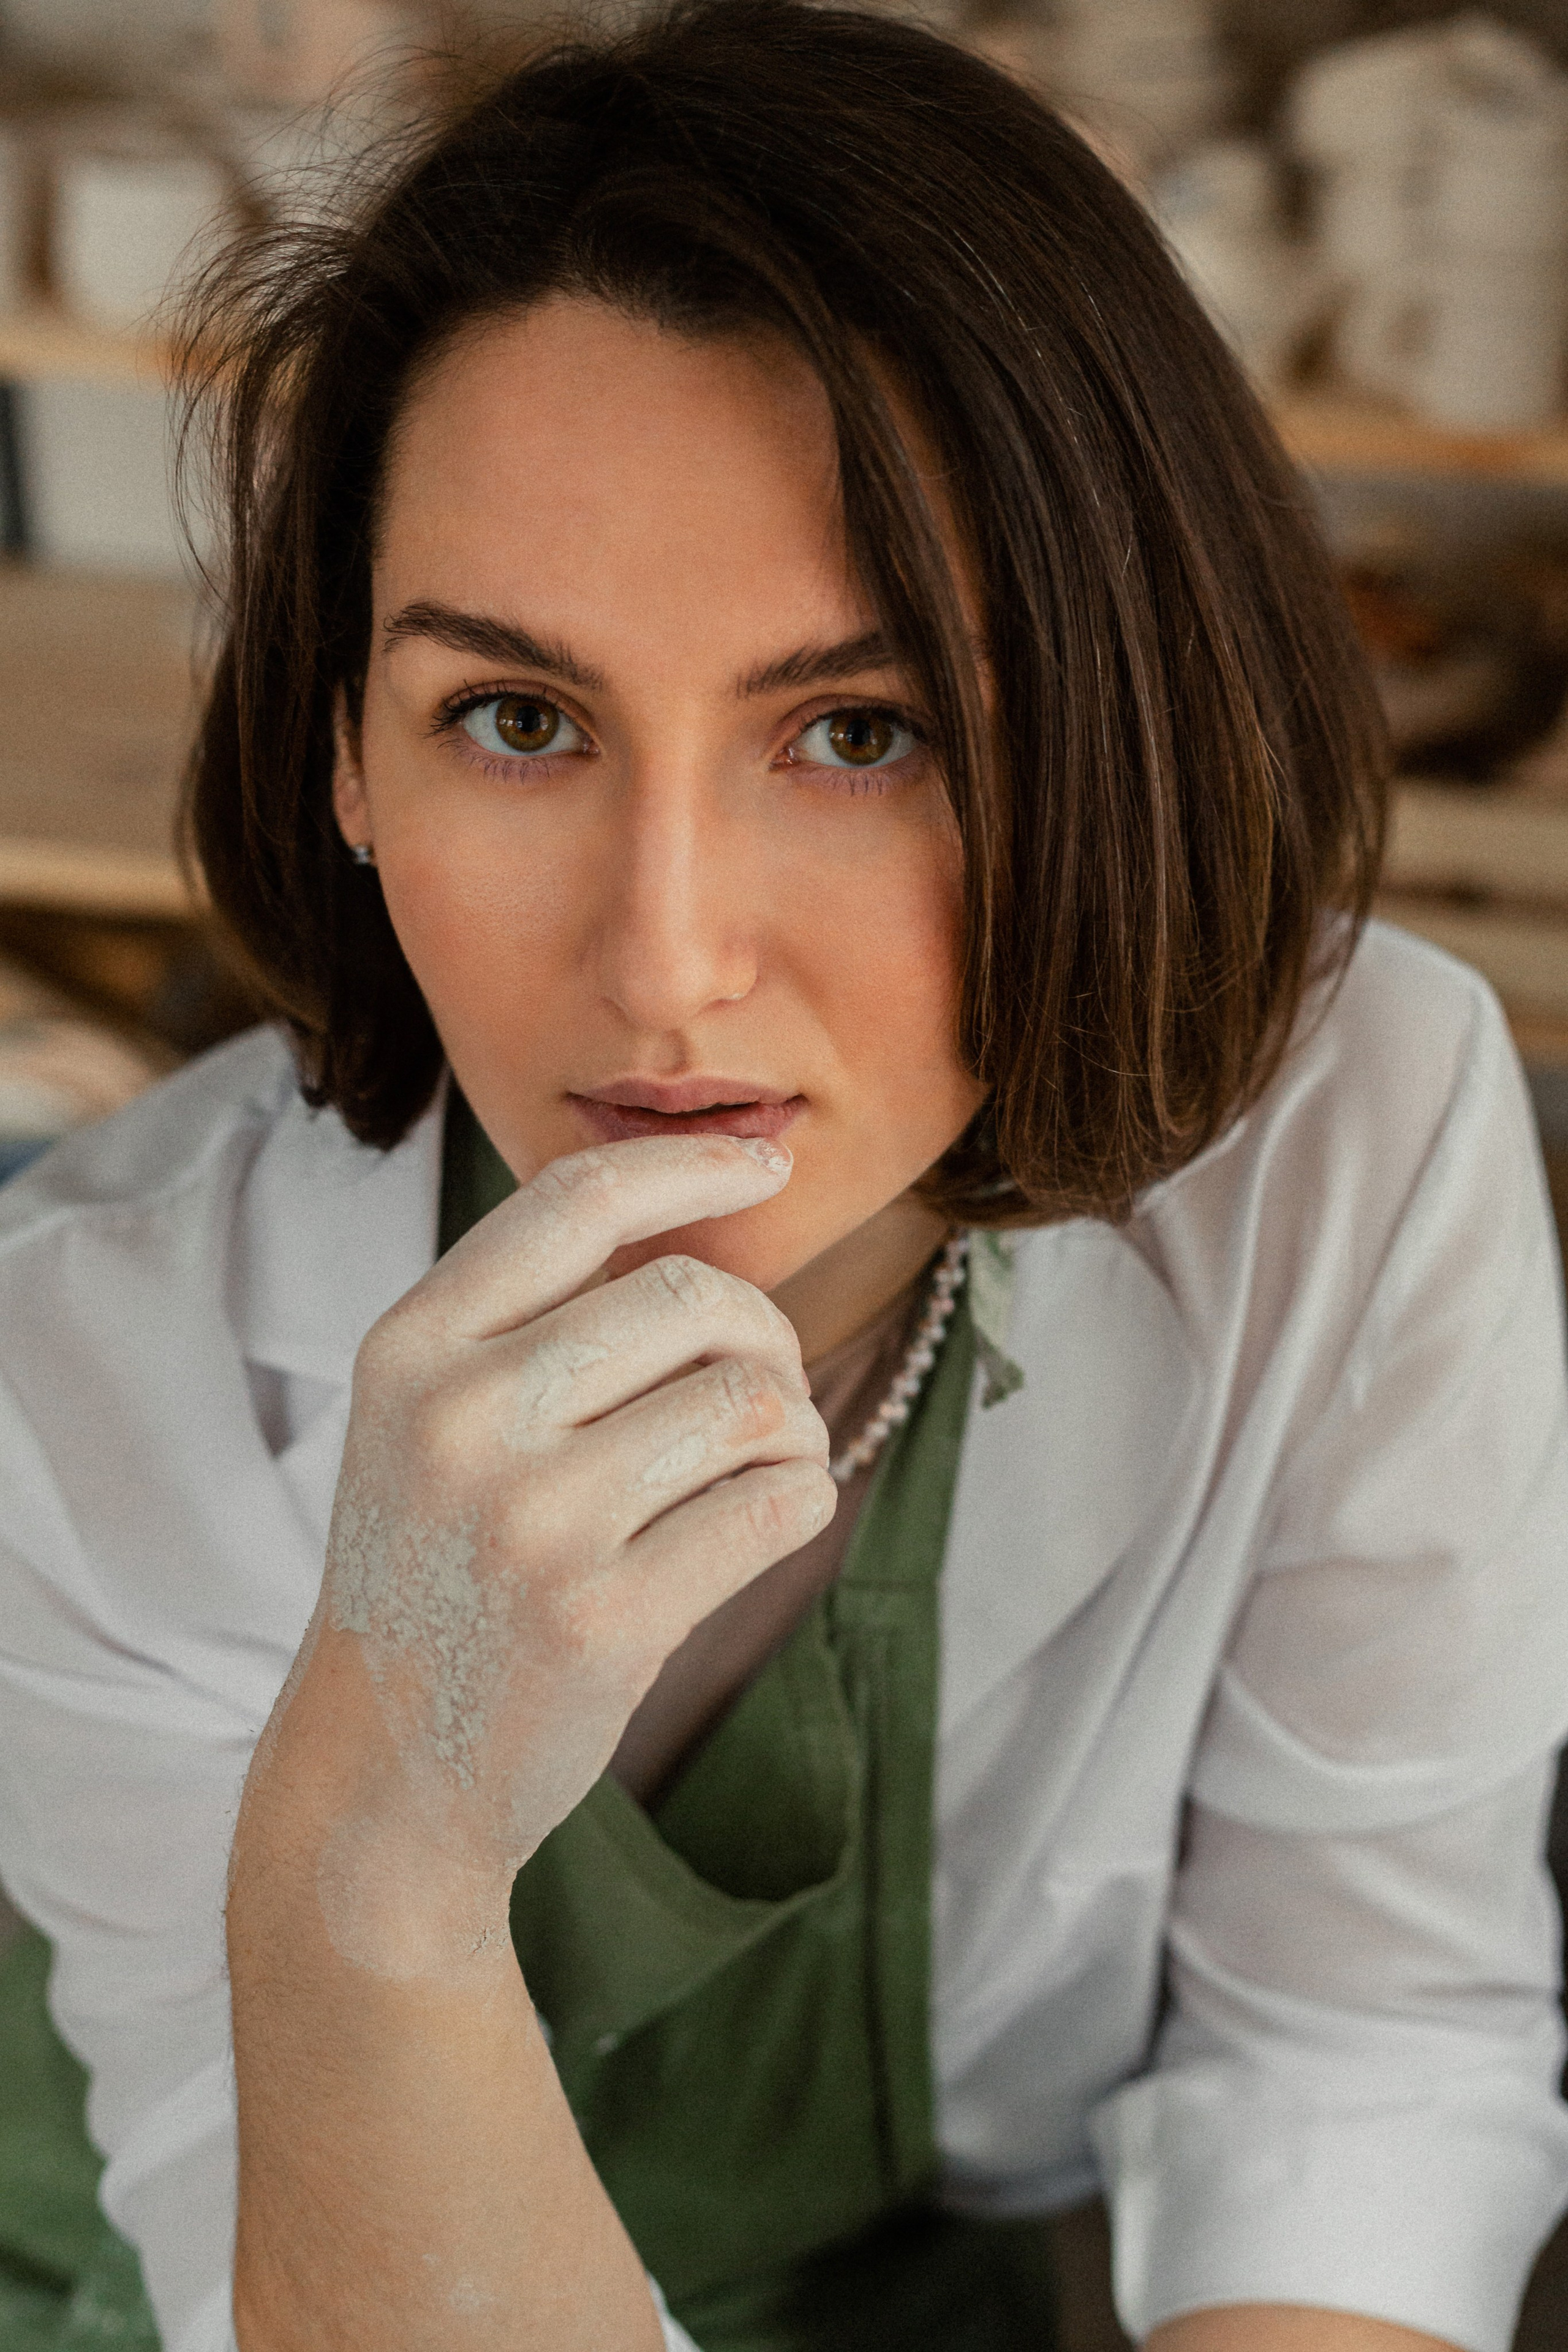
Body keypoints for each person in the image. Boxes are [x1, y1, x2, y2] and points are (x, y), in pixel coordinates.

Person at [2, 3, 1567, 2346]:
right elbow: (290, 2276)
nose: (667, 962)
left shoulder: (1363, 1143)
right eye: (515, 720)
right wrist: (372, 1864)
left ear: (1110, 727)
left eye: (860, 730)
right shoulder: (87, 1363)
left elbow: (1358, 2060)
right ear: (345, 758)